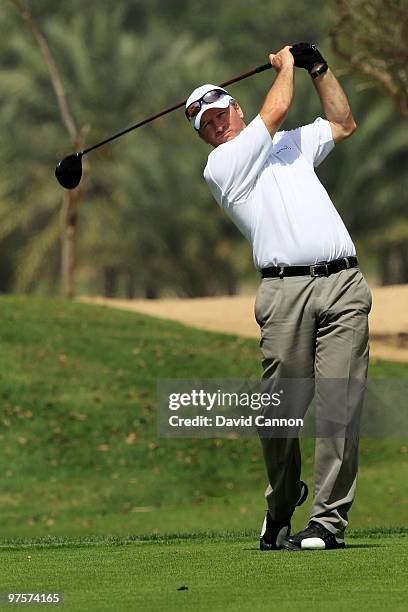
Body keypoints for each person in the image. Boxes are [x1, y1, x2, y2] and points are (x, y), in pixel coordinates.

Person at [185, 44, 372, 551]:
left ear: (235, 108)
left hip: (343, 286)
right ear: (203, 136)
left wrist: (319, 68)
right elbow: (277, 108)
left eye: (220, 113)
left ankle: (327, 522)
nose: (216, 124)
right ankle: (283, 501)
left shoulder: (292, 144)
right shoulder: (222, 167)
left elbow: (343, 122)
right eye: (205, 124)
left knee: (340, 403)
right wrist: (287, 65)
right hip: (283, 293)